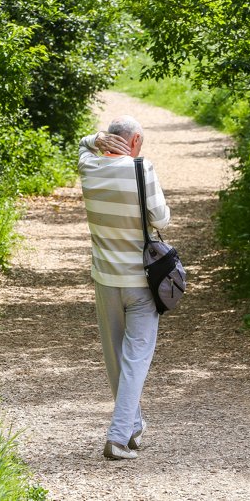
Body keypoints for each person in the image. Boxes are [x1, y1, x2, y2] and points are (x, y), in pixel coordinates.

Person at [78, 115, 170, 460]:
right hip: (142, 283)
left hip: (105, 280)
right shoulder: (141, 170)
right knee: (136, 359)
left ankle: (132, 425)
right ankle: (117, 437)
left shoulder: (88, 166)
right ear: (134, 143)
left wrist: (95, 139)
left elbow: (82, 146)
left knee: (116, 358)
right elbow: (161, 219)